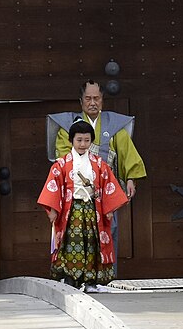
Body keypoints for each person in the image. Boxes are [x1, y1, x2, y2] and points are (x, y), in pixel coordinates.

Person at [49, 80, 145, 273]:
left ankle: (105, 277)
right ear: (81, 101)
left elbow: (127, 153)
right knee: (76, 233)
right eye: (88, 98)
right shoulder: (69, 126)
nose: (92, 102)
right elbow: (63, 159)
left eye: (97, 98)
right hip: (77, 190)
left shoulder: (114, 125)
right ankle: (76, 275)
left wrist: (130, 179)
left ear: (102, 100)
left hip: (105, 189)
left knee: (109, 231)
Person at [38, 118, 130, 290]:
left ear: (91, 141)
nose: (82, 144)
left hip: (93, 210)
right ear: (71, 140)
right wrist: (52, 210)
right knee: (72, 242)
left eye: (87, 140)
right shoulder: (62, 164)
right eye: (79, 140)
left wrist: (109, 209)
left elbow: (108, 184)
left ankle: (90, 280)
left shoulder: (99, 164)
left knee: (93, 243)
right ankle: (70, 278)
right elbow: (54, 186)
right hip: (71, 211)